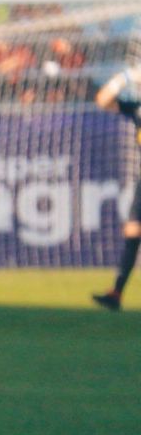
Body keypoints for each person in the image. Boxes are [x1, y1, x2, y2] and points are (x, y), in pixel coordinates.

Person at [92, 64, 141, 311]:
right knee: (133, 232)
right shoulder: (137, 109)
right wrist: (124, 77)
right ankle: (116, 293)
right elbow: (102, 100)